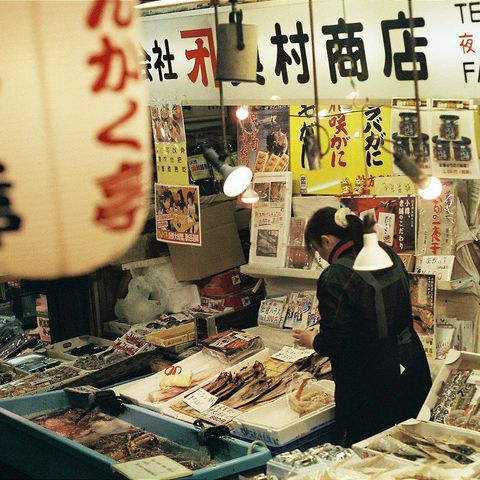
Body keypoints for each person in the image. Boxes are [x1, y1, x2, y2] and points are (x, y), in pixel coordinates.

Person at [293, 206, 431, 447]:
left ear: (326, 241)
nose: (322, 258)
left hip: (370, 385)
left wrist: (312, 339)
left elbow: (335, 340)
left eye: (317, 250)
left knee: (369, 457)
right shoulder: (384, 251)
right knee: (414, 449)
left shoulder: (336, 275)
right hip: (411, 366)